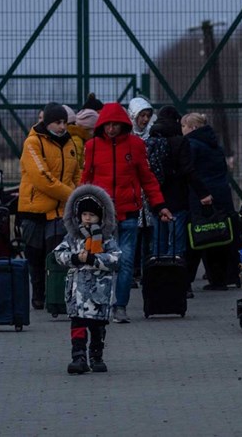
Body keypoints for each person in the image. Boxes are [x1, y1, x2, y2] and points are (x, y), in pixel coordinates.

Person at [81, 102, 172, 323]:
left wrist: (159, 205)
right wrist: (82, 208)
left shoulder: (135, 145)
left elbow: (147, 178)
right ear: (102, 125)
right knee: (101, 261)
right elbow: (86, 178)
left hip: (129, 212)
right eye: (108, 125)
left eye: (116, 124)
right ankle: (100, 303)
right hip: (102, 216)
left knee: (126, 262)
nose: (111, 129)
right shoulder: (92, 146)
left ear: (123, 124)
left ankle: (119, 305)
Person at [18, 102, 81, 310]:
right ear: (47, 123)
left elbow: (76, 174)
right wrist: (72, 195)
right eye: (57, 122)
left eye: (64, 122)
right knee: (35, 257)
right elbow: (42, 179)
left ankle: (56, 297)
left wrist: (81, 193)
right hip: (34, 210)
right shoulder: (33, 143)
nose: (63, 127)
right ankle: (38, 295)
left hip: (60, 211)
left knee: (56, 256)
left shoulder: (70, 143)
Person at [54, 184, 121, 374]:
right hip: (77, 293)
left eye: (92, 215)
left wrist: (94, 259)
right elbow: (58, 254)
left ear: (100, 217)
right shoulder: (73, 238)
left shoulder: (106, 239)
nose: (88, 218)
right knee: (77, 324)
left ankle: (96, 355)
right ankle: (78, 356)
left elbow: (116, 259)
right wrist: (74, 258)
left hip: (99, 292)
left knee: (97, 326)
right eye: (85, 215)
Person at [146, 106, 211, 290]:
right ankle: (178, 286)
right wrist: (203, 193)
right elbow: (188, 171)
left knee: (158, 243)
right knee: (176, 245)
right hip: (177, 200)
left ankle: (157, 285)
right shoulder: (180, 142)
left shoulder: (151, 141)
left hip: (156, 201)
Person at [181, 112, 238, 291]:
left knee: (197, 235)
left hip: (201, 196)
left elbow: (189, 171)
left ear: (193, 128)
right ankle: (220, 278)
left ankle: (185, 279)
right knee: (217, 236)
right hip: (221, 194)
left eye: (184, 126)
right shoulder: (215, 145)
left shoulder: (192, 144)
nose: (181, 130)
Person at [127, 96, 157, 287]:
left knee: (148, 234)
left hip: (148, 194)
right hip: (132, 193)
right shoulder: (127, 138)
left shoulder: (152, 137)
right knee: (133, 236)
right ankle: (132, 270)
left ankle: (147, 269)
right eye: (141, 115)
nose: (145, 120)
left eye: (147, 115)